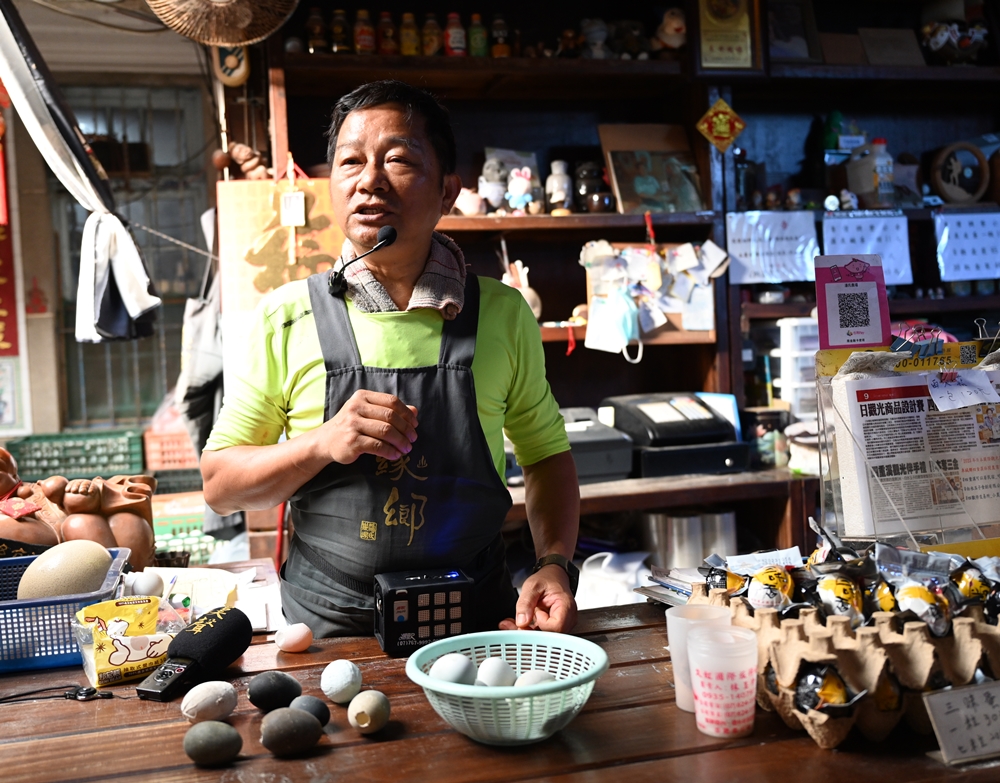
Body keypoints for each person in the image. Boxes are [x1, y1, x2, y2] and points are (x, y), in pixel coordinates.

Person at [201, 80, 580, 638]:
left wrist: (554, 563)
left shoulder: (503, 314)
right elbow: (221, 483)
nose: (369, 181)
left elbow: (547, 456)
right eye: (350, 161)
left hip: (476, 619)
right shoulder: (285, 317)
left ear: (449, 191)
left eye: (398, 159)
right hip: (329, 630)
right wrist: (321, 443)